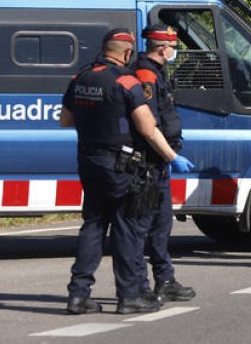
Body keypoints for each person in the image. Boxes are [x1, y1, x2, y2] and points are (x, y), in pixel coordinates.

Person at [61, 29, 194, 315]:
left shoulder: (80, 78)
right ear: (126, 53)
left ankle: (78, 295)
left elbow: (65, 120)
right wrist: (172, 157)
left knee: (93, 226)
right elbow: (148, 129)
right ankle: (129, 295)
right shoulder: (126, 81)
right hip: (120, 166)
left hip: (89, 159)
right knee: (126, 228)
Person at [132, 24, 195, 302]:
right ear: (163, 47)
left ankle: (164, 279)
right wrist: (170, 155)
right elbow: (149, 123)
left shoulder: (157, 71)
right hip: (149, 160)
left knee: (161, 222)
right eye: (173, 46)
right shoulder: (146, 74)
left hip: (159, 159)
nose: (174, 51)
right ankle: (140, 285)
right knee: (145, 224)